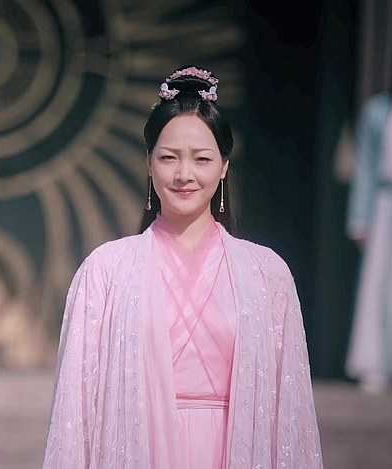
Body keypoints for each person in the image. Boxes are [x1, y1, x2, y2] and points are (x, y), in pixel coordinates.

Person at [42, 66, 323, 468]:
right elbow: (75, 406)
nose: (184, 175)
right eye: (168, 158)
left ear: (224, 166)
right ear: (148, 162)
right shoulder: (105, 271)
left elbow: (291, 412)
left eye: (202, 159)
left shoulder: (267, 274)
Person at [346, 23, 392, 395]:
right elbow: (366, 168)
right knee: (383, 284)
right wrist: (360, 218)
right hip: (388, 205)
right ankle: (378, 363)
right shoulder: (379, 111)